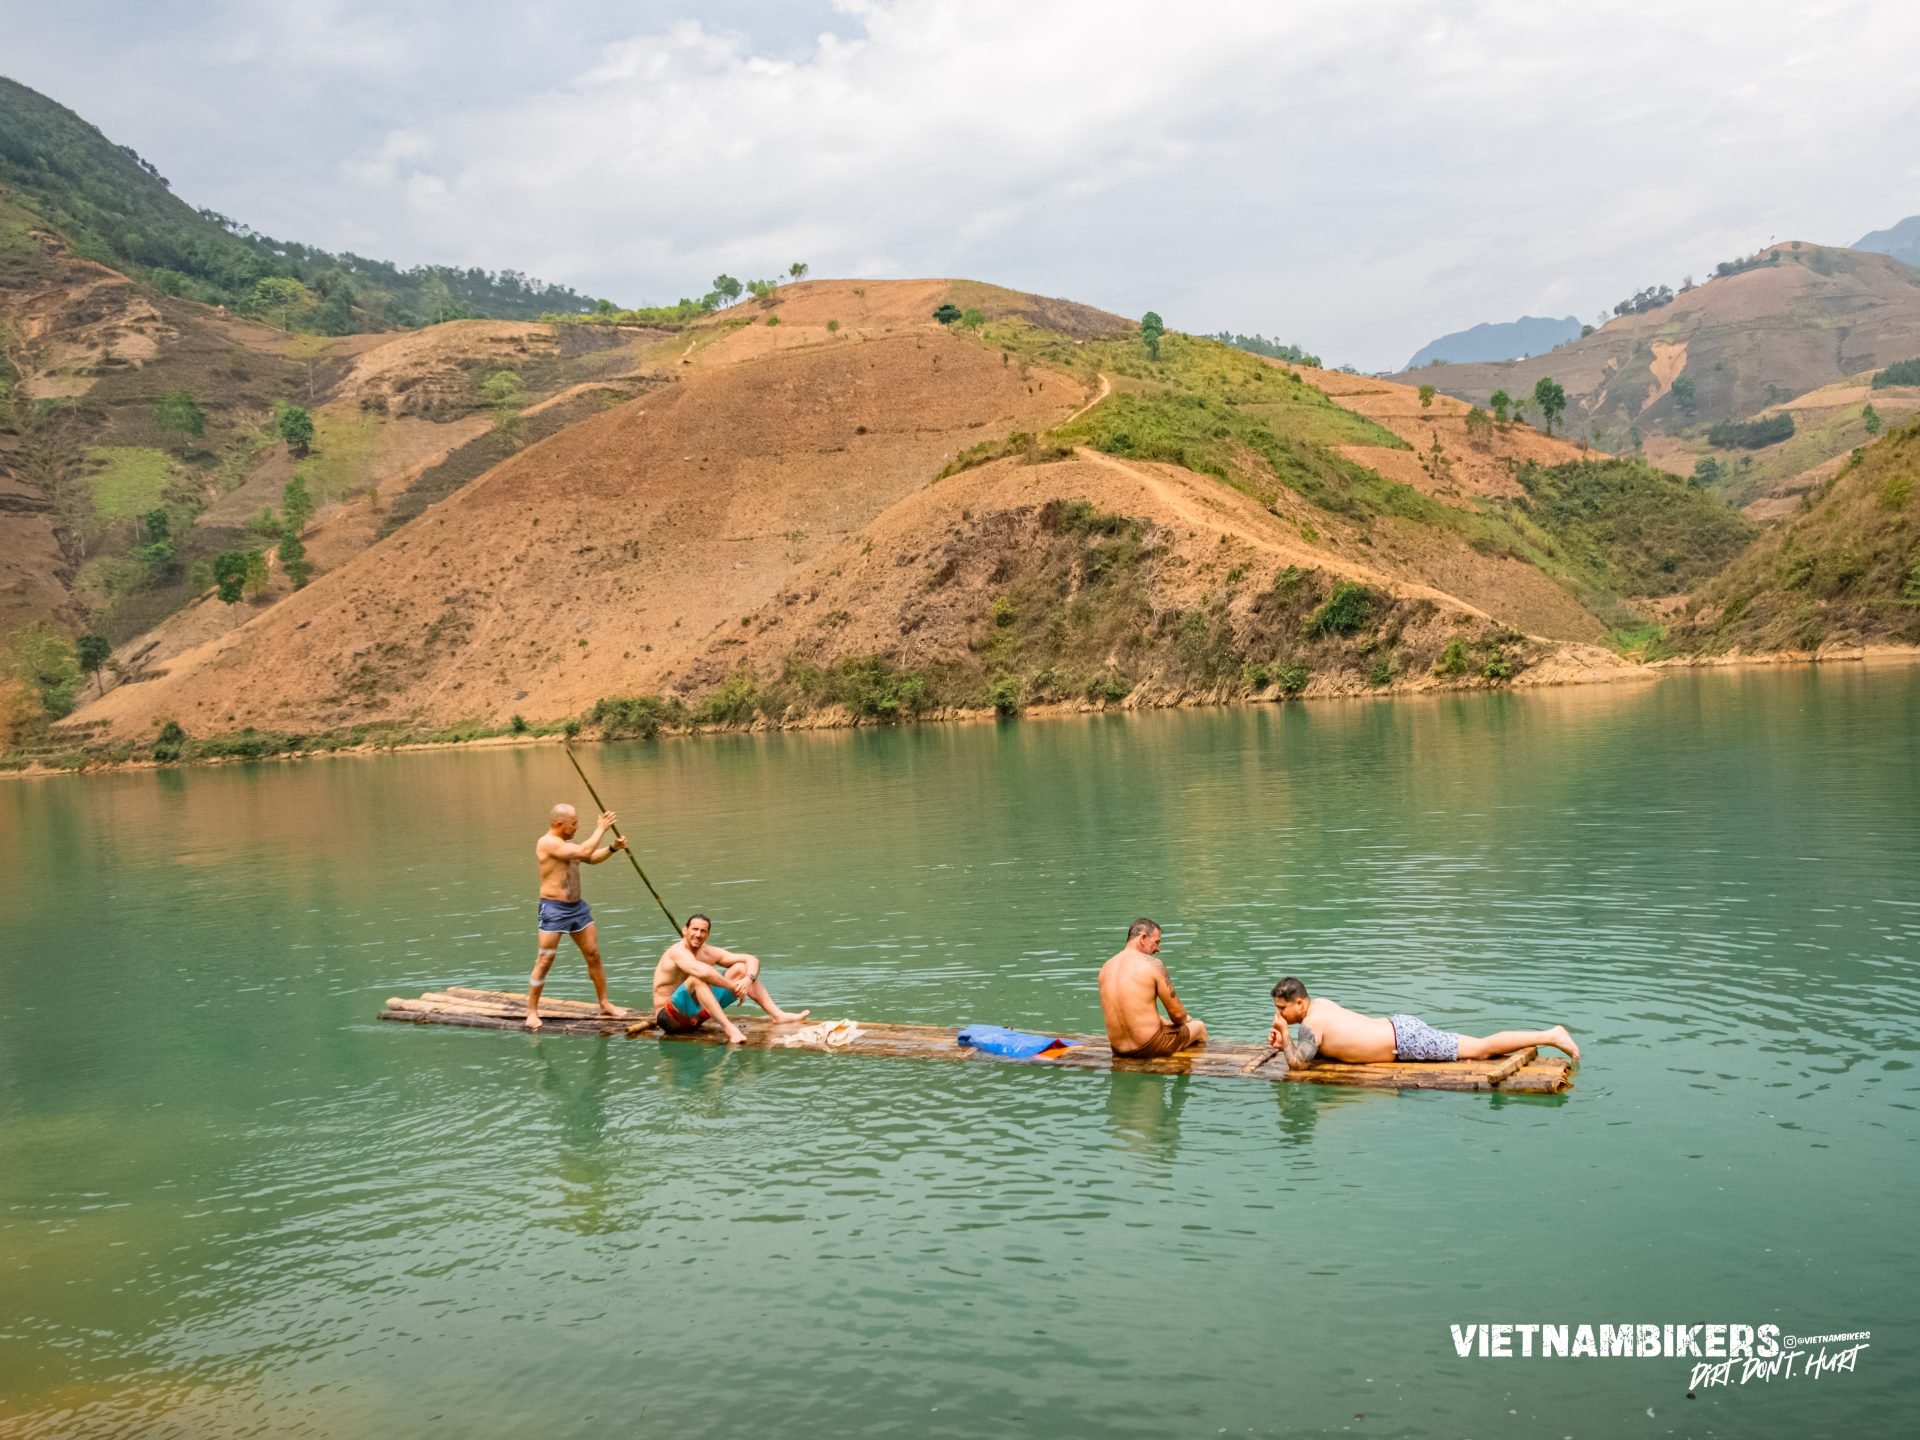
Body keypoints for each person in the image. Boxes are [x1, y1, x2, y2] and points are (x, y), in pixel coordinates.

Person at [1266, 977, 1580, 1067]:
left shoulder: (1310, 1024)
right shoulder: (1321, 1005)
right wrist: (1286, 1040)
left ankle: (1551, 1034)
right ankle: (1548, 1034)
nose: (1280, 1014)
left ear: (1299, 1003)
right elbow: (1328, 1045)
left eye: (1283, 1009)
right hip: (1398, 1027)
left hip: (1405, 1041)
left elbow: (1298, 1065)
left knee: (1482, 1050)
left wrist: (1284, 1035)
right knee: (1478, 1047)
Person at [526, 804, 629, 1030]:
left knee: (593, 954)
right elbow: (584, 851)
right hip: (553, 909)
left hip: (577, 909)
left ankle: (604, 1004)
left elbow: (590, 858)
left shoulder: (567, 846)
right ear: (558, 824)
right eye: (574, 823)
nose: (577, 827)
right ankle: (531, 1011)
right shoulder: (548, 843)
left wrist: (612, 848)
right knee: (545, 960)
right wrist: (601, 828)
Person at [651, 914, 809, 1044]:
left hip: (697, 1017)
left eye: (703, 931)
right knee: (697, 977)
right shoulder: (677, 952)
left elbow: (752, 960)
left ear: (708, 934)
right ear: (685, 930)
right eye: (694, 929)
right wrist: (734, 988)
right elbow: (703, 972)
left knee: (740, 968)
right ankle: (729, 1028)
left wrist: (748, 980)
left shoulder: (708, 952)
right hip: (671, 1018)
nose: (698, 934)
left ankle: (777, 1015)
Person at [1098, 917, 1208, 1059]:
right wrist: (1186, 1019)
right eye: (1156, 942)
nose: (1158, 949)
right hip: (1150, 1047)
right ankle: (1198, 1068)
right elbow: (1178, 1015)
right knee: (1199, 1027)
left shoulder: (1106, 967)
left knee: (1161, 1020)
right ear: (1143, 937)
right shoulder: (1152, 965)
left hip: (1119, 1049)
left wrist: (1164, 1022)